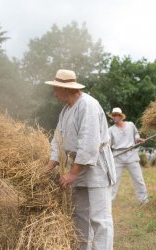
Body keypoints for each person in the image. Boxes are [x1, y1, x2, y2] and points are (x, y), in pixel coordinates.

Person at [45, 69, 116, 250]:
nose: (54, 93)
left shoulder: (88, 105)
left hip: (96, 166)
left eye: (57, 89)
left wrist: (72, 174)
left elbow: (89, 142)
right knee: (80, 214)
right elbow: (58, 139)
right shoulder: (66, 110)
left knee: (100, 217)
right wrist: (50, 165)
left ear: (66, 89)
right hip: (78, 165)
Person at [108, 107, 149, 204]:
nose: (114, 117)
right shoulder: (110, 130)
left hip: (131, 154)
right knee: (114, 180)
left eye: (116, 115)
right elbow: (108, 144)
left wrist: (138, 139)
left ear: (121, 116)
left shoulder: (130, 125)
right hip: (118, 156)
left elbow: (136, 134)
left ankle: (143, 200)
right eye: (113, 116)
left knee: (138, 179)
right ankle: (109, 201)